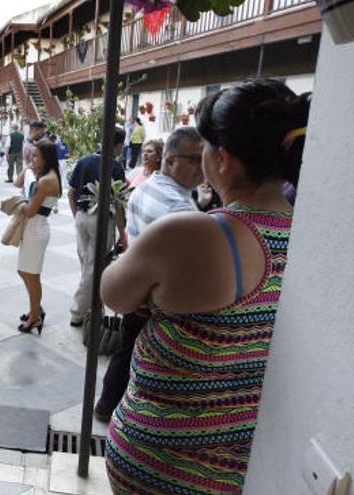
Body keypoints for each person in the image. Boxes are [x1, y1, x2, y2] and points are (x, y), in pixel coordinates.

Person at [100, 80, 305, 494]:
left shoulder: (189, 233)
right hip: (241, 467)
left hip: (160, 463)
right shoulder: (308, 234)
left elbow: (113, 293)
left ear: (223, 159)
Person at [94, 127, 203, 421]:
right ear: (169, 161)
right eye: (193, 159)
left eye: (204, 158)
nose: (201, 166)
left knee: (126, 349)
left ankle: (106, 404)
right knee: (138, 356)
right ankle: (120, 412)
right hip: (156, 301)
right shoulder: (180, 209)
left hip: (136, 289)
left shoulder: (145, 186)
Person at [66, 127, 127, 327]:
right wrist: (122, 231)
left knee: (87, 265)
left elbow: (71, 193)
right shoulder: (115, 166)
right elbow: (118, 203)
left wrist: (77, 216)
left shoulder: (83, 161)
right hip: (100, 220)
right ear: (117, 144)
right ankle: (77, 313)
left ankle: (94, 308)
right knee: (92, 268)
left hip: (82, 217)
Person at [12, 139, 62, 334]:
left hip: (36, 228)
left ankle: (35, 317)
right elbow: (17, 183)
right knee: (24, 272)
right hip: (33, 229)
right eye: (31, 155)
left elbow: (30, 210)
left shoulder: (46, 180)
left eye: (35, 156)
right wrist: (29, 168)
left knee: (31, 275)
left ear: (47, 158)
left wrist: (15, 203)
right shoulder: (42, 174)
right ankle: (36, 308)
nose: (32, 159)